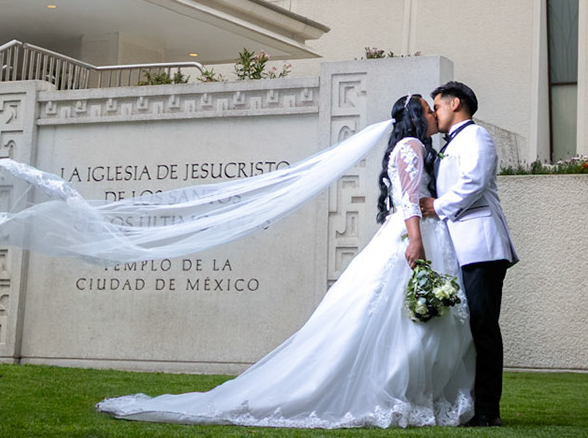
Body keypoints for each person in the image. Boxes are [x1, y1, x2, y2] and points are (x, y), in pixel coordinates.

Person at [95, 94, 474, 427]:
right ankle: (398, 392)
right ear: (415, 118)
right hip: (410, 236)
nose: (432, 115)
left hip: (412, 233)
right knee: (402, 320)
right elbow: (407, 199)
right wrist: (415, 240)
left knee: (406, 321)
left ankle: (413, 394)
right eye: (427, 110)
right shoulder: (411, 145)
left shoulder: (409, 147)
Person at [420, 81, 517, 428]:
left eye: (437, 106)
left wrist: (437, 206)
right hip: (459, 249)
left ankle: (488, 410)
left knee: (483, 325)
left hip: (482, 246)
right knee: (467, 327)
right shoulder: (449, 144)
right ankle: (469, 403)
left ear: (455, 103)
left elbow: (474, 182)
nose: (435, 113)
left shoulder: (477, 136)